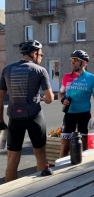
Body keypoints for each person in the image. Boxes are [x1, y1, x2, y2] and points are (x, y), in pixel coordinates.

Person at [0, 40, 54, 182]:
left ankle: (9, 194)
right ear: (33, 54)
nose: (41, 57)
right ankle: (40, 189)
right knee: (40, 155)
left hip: (14, 117)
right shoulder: (40, 70)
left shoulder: (7, 69)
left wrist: (0, 120)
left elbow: (0, 99)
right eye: (41, 54)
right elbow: (50, 98)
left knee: (12, 159)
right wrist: (41, 98)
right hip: (34, 116)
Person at [58, 50, 94, 158]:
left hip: (84, 115)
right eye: (71, 60)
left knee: (85, 146)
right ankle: (60, 171)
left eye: (75, 60)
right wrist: (62, 100)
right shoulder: (67, 77)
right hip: (69, 114)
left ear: (84, 63)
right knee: (65, 146)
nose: (72, 62)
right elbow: (60, 93)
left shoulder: (92, 78)